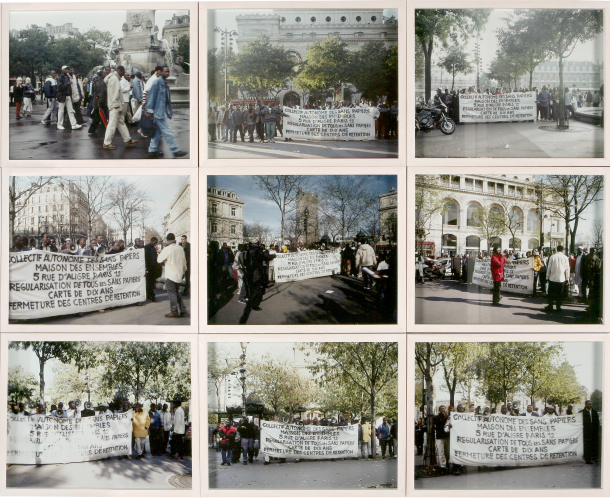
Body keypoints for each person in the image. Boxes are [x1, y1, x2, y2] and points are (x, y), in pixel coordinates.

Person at [146, 65, 187, 158]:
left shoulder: (164, 83)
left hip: (161, 111)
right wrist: (149, 111)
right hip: (158, 113)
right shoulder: (157, 82)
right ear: (160, 72)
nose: (167, 73)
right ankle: (175, 150)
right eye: (165, 71)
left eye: (168, 71)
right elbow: (151, 97)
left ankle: (152, 151)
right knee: (167, 131)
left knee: (157, 132)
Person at [103, 65, 138, 150]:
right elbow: (115, 93)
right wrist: (116, 105)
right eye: (123, 72)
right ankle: (107, 143)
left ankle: (127, 139)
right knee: (112, 124)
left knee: (120, 122)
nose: (123, 74)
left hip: (116, 105)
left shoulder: (114, 78)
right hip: (115, 105)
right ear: (120, 71)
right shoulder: (114, 79)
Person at [157, 233, 187, 318]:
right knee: (177, 292)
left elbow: (159, 260)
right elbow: (184, 262)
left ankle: (174, 311)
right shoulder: (180, 248)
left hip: (170, 275)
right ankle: (183, 309)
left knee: (172, 294)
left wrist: (161, 253)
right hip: (179, 274)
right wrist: (184, 272)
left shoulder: (167, 248)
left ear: (167, 239)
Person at [544, 244, 570, 313]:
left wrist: (547, 276)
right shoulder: (565, 257)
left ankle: (550, 306)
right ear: (562, 250)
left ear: (556, 249)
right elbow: (567, 269)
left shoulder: (552, 257)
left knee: (551, 294)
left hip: (552, 278)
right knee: (559, 294)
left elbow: (549, 268)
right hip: (561, 279)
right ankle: (558, 307)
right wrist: (567, 278)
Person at [580, 400, 600, 464]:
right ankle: (587, 459)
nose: (590, 405)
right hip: (586, 432)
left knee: (594, 444)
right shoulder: (582, 412)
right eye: (588, 404)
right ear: (585, 405)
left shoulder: (594, 412)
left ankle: (594, 457)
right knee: (587, 445)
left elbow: (597, 422)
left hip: (593, 431)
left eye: (591, 404)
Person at [144, 237, 162, 302]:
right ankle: (152, 296)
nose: (156, 244)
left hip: (153, 268)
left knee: (150, 283)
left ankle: (149, 295)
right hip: (149, 268)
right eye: (155, 242)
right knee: (150, 283)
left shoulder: (153, 248)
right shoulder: (146, 247)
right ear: (152, 241)